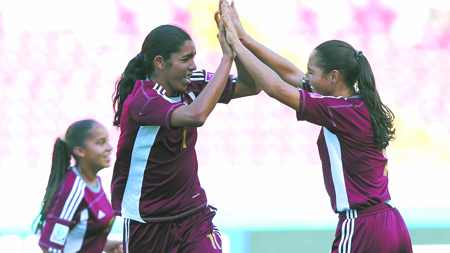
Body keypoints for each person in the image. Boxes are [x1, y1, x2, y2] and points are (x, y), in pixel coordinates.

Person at [219, 2, 413, 252]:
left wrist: (235, 46)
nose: (306, 77)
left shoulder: (337, 111)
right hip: (391, 221)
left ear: (334, 77)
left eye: (311, 72)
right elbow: (289, 74)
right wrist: (245, 38)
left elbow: (275, 88)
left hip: (363, 225)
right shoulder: (355, 103)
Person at [110, 11, 259, 253]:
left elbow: (251, 85)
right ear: (160, 63)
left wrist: (237, 42)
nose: (193, 66)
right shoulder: (143, 99)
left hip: (193, 215)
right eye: (185, 59)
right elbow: (195, 116)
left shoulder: (193, 82)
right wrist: (226, 58)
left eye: (194, 58)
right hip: (148, 221)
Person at [33, 119, 123, 253]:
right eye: (101, 143)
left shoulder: (94, 180)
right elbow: (50, 246)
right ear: (80, 151)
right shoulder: (72, 190)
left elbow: (80, 234)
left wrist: (105, 245)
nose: (109, 148)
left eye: (107, 141)